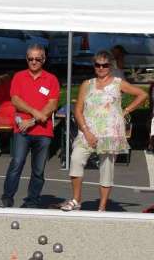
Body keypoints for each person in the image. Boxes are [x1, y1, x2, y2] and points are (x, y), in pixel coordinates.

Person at [61, 50, 147, 212]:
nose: (101, 68)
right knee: (76, 159)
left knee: (106, 168)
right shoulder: (87, 84)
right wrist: (86, 131)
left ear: (111, 66)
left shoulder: (118, 83)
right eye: (97, 65)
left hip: (110, 133)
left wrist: (126, 110)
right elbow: (78, 110)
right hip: (88, 131)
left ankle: (102, 206)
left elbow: (142, 94)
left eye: (104, 65)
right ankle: (76, 199)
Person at [0, 45, 60, 208]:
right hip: (21, 130)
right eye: (30, 58)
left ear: (43, 59)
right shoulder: (19, 77)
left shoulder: (51, 79)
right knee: (16, 164)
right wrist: (34, 112)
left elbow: (52, 104)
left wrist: (31, 121)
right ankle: (7, 197)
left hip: (43, 131)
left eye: (37, 59)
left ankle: (32, 200)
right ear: (27, 59)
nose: (34, 62)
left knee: (38, 170)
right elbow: (15, 100)